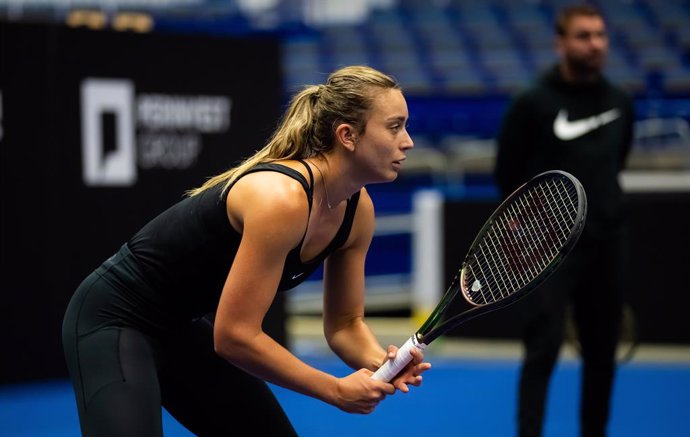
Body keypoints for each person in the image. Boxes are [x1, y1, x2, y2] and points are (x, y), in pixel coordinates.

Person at [62, 65, 431, 437]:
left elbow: (345, 324)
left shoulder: (358, 211)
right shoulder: (282, 201)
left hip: (179, 327)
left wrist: (384, 362)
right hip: (113, 318)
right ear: (347, 135)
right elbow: (234, 335)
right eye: (394, 126)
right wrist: (335, 389)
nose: (408, 141)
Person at [493, 5, 635, 437]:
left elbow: (617, 161)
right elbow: (507, 173)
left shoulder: (620, 102)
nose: (595, 45)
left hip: (605, 246)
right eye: (583, 36)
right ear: (560, 43)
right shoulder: (532, 102)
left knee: (601, 354)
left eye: (600, 36)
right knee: (543, 350)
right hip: (547, 250)